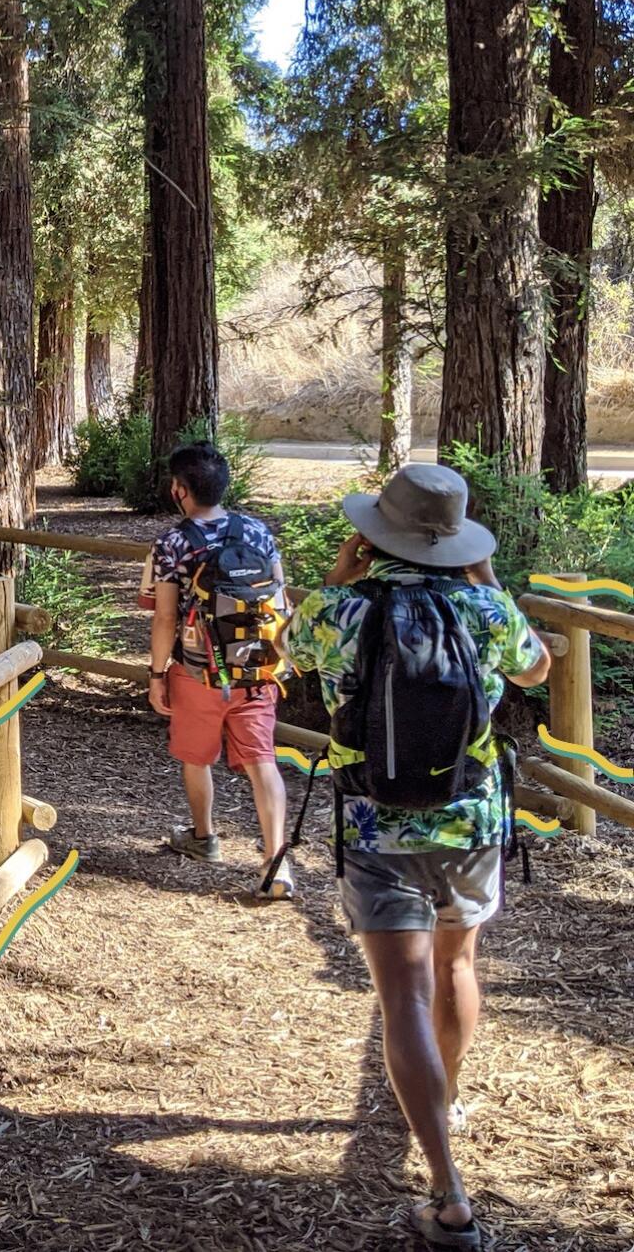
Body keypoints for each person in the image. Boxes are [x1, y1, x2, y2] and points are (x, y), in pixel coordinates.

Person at [281, 463, 550, 1250]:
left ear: (375, 533)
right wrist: (491, 579)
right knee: (457, 967)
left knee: (402, 991)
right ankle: (449, 1092)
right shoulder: (482, 603)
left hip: (376, 823)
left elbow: (293, 653)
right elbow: (536, 667)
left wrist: (337, 573)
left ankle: (448, 1187)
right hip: (470, 818)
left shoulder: (341, 606)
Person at [147, 440, 293, 899]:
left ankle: (204, 836)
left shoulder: (173, 542)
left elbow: (165, 615)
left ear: (179, 489)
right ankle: (276, 863)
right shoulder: (258, 533)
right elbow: (280, 598)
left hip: (199, 670)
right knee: (262, 760)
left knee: (196, 756)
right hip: (255, 670)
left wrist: (155, 674)